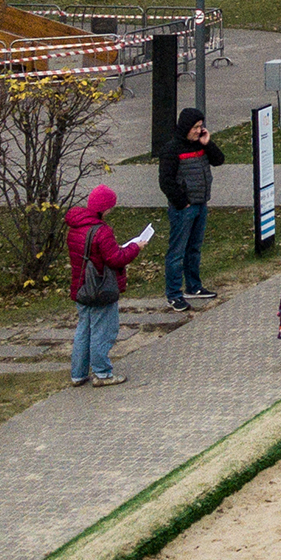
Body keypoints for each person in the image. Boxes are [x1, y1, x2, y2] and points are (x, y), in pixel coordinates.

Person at [66, 183, 146, 387]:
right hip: (100, 289)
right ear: (104, 208)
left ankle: (78, 374)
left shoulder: (75, 227)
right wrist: (135, 248)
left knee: (83, 331)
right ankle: (102, 373)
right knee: (103, 331)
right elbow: (115, 260)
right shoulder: (102, 231)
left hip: (81, 287)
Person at [156, 107, 223, 312]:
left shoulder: (201, 145)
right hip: (184, 208)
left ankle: (193, 286)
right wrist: (181, 202)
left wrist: (207, 143)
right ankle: (174, 294)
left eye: (201, 126)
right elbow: (166, 181)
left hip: (201, 203)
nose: (199, 130)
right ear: (186, 127)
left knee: (194, 248)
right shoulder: (172, 149)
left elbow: (219, 160)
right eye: (195, 127)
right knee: (177, 252)